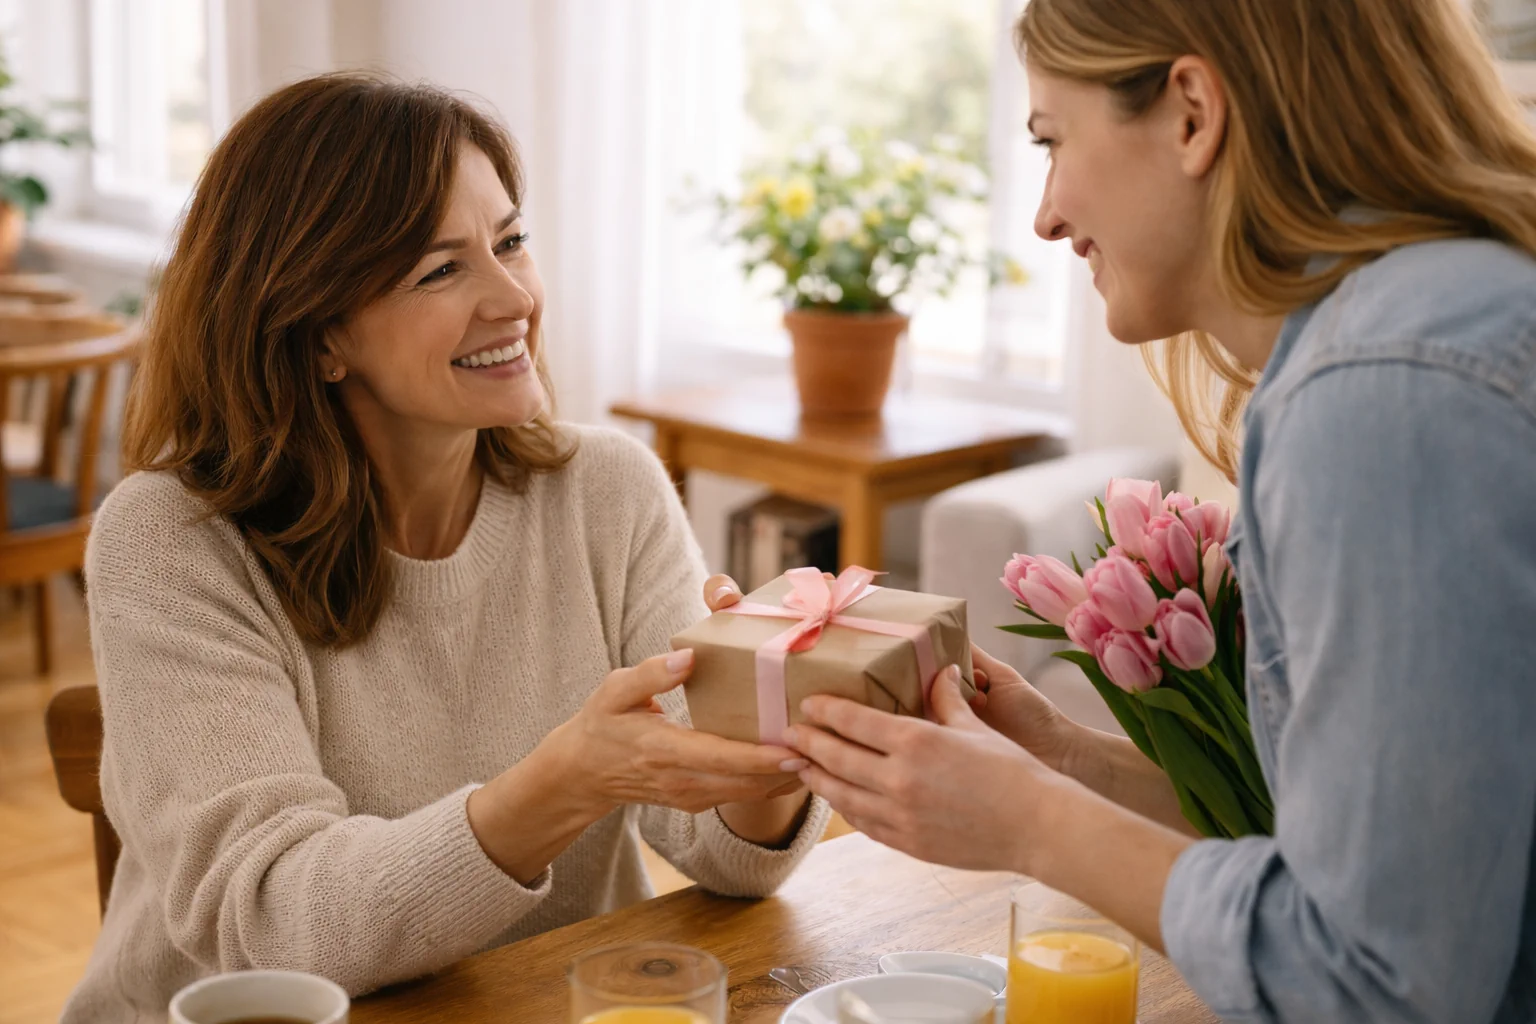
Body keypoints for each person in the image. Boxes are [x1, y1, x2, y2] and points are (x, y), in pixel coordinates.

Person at [771, 1, 1536, 1021]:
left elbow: (1377, 979)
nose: (1046, 216)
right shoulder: (1429, 324)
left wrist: (1031, 822)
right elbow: (1354, 854)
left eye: (1052, 141)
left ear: (1191, 115)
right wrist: (1061, 753)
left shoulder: (1382, 394)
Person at [63, 73, 826, 1021]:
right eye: (440, 270)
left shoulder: (607, 489)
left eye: (510, 242)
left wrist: (766, 731)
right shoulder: (172, 541)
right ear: (319, 333)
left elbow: (729, 859)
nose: (513, 298)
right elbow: (273, 925)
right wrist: (565, 782)